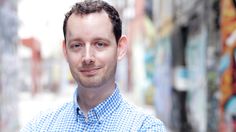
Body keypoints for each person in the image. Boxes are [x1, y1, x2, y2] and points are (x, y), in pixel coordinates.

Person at [20, 0, 166, 131]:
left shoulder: (146, 128)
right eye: (77, 45)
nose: (87, 57)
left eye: (100, 44)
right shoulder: (39, 126)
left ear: (120, 48)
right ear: (65, 51)